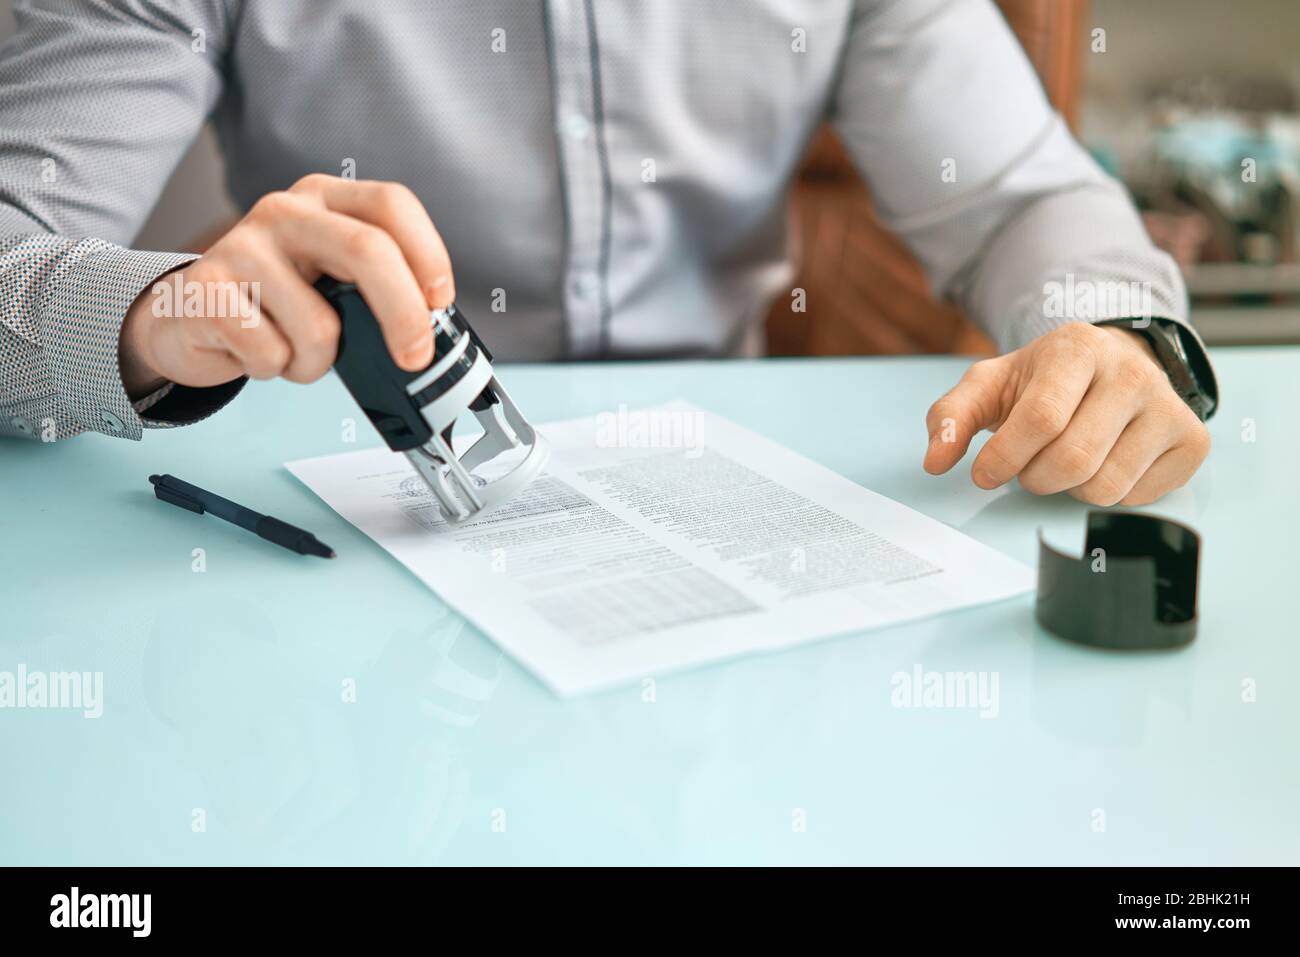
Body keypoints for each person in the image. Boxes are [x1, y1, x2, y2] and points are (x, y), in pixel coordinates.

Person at [0, 0, 1216, 506]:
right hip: (331, 492)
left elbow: (1019, 201)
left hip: (721, 504)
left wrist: (1114, 332)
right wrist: (156, 310)